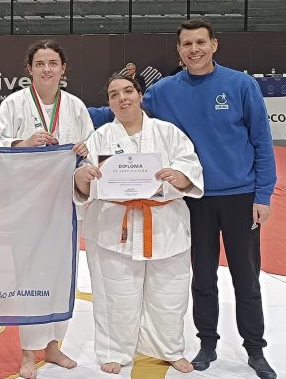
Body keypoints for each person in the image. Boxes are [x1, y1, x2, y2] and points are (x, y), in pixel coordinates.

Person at [142, 18, 278, 379]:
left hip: (240, 197)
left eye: (200, 42)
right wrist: (72, 123)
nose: (194, 50)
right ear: (178, 50)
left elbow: (262, 143)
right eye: (187, 44)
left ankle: (255, 349)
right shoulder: (163, 91)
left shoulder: (241, 85)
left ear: (214, 45)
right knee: (202, 276)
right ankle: (207, 343)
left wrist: (263, 196)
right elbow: (122, 112)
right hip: (195, 198)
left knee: (246, 278)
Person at [74, 73, 203, 375]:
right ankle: (114, 351)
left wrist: (180, 176)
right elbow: (82, 178)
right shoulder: (100, 137)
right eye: (114, 94)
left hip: (165, 224)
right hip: (113, 226)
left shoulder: (168, 132)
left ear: (140, 95)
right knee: (115, 294)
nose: (122, 98)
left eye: (128, 91)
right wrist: (81, 178)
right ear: (109, 103)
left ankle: (170, 348)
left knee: (169, 295)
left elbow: (190, 167)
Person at [0, 39, 92, 377]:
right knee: (29, 277)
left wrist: (83, 151)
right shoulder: (13, 104)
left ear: (63, 68)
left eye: (53, 63)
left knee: (63, 276)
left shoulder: (76, 106)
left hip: (64, 205)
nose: (46, 69)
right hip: (27, 205)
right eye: (40, 63)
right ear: (29, 69)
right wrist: (24, 143)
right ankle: (27, 353)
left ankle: (53, 347)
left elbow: (91, 151)